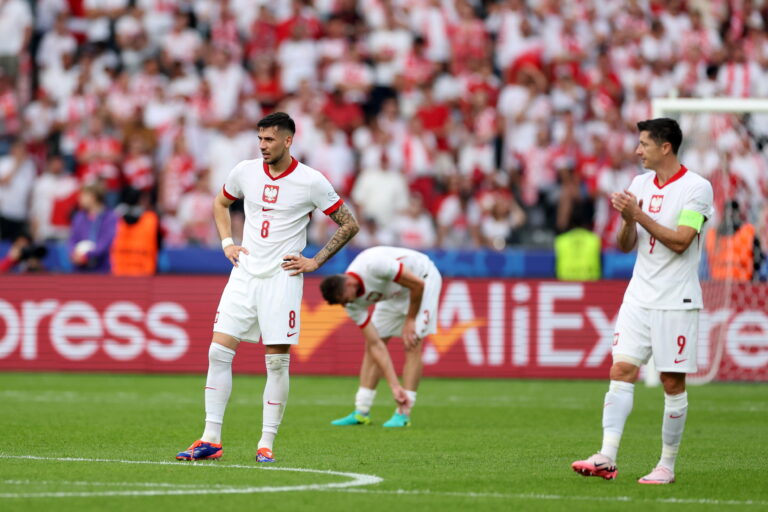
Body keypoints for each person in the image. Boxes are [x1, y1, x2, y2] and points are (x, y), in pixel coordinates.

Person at [176, 112, 360, 463]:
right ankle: (210, 438)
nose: (262, 146)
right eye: (260, 139)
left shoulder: (311, 181)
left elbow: (349, 224)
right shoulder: (244, 171)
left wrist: (316, 261)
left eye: (269, 140)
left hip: (282, 278)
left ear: (288, 141)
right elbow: (220, 203)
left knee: (276, 363)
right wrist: (227, 241)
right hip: (244, 273)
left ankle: (266, 443)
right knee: (218, 352)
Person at [571, 118, 714, 484]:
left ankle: (666, 465)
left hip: (675, 300)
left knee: (670, 381)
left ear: (665, 147)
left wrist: (639, 215)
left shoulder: (697, 188)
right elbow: (624, 244)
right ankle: (606, 456)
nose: (637, 151)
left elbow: (682, 241)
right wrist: (626, 220)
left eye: (644, 144)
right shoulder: (639, 184)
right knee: (620, 370)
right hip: (638, 296)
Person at [320, 246, 442, 428]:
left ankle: (403, 413)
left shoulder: (373, 265)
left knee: (412, 343)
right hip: (396, 293)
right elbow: (376, 344)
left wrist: (410, 320)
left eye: (344, 299)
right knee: (372, 347)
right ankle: (361, 411)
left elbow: (417, 285)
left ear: (348, 284)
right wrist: (394, 386)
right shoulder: (350, 303)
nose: (346, 304)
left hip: (422, 278)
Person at [705, 200, 763, 282]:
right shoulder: (712, 234)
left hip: (739, 282)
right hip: (720, 281)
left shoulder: (748, 232)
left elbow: (758, 258)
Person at [67, 183, 118, 273]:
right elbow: (73, 238)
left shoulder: (110, 217)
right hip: (79, 269)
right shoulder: (79, 216)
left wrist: (88, 255)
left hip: (101, 268)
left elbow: (106, 241)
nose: (79, 199)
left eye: (83, 195)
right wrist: (73, 253)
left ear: (93, 197)